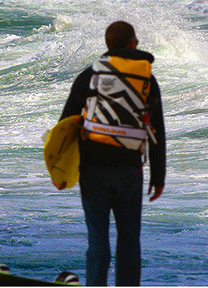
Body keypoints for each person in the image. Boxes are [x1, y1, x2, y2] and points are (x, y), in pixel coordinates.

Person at [61, 21, 166, 286]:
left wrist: (63, 169)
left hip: (93, 169)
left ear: (108, 46)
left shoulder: (91, 75)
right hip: (129, 170)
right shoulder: (146, 79)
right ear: (132, 44)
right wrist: (158, 176)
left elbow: (66, 123)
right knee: (129, 240)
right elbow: (157, 131)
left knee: (98, 240)